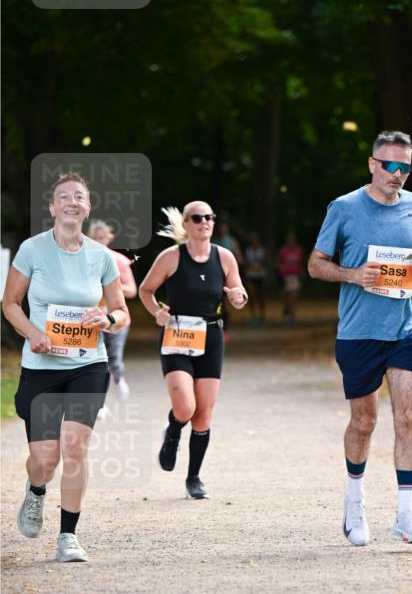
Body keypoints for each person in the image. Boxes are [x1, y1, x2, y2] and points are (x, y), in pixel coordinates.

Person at [308, 130, 412, 546]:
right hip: (359, 331)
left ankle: (405, 513)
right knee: (364, 422)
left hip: (406, 326)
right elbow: (315, 265)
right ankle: (354, 499)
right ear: (372, 164)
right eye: (390, 166)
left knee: (409, 416)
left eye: (405, 167)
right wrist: (351, 274)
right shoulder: (344, 208)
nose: (397, 174)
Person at [2, 173, 129, 562]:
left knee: (75, 448)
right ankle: (36, 490)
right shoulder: (31, 250)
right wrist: (32, 333)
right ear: (52, 207)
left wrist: (106, 320)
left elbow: (121, 311)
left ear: (87, 208)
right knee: (46, 459)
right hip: (41, 365)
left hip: (87, 364)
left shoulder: (101, 256)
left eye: (79, 197)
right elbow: (9, 303)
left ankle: (68, 537)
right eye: (64, 197)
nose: (72, 202)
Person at [138, 201, 248, 499]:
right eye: (197, 218)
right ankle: (173, 431)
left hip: (211, 336)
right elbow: (145, 291)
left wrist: (239, 297)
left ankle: (194, 478)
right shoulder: (171, 257)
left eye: (209, 217)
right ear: (186, 224)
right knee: (186, 407)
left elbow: (237, 294)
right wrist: (156, 311)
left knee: (204, 415)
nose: (205, 222)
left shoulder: (224, 257)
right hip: (177, 335)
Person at [89, 220, 137, 401]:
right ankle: (99, 399)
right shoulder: (83, 258)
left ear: (110, 238)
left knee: (114, 358)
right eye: (96, 238)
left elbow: (132, 290)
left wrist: (109, 286)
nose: (100, 241)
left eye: (103, 237)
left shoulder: (119, 261)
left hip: (117, 318)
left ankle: (119, 379)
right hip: (92, 318)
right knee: (95, 361)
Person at [277, 231, 303, 325]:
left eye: (292, 240)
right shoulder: (283, 251)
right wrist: (281, 267)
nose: (291, 241)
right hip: (285, 276)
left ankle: (292, 317)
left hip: (295, 277)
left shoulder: (298, 251)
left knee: (294, 296)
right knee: (286, 297)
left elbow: (300, 264)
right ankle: (287, 309)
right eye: (289, 240)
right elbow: (278, 263)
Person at [244, 232, 268, 325]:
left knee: (261, 296)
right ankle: (253, 316)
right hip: (251, 275)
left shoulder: (262, 250)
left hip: (261, 275)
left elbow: (265, 262)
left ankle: (262, 316)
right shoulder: (248, 250)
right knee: (251, 295)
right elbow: (246, 263)